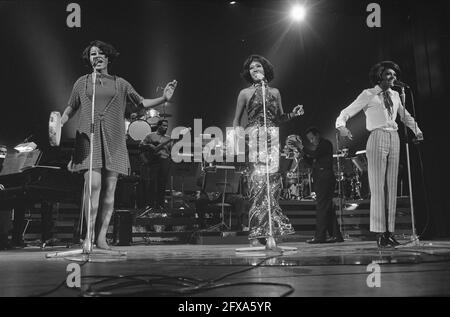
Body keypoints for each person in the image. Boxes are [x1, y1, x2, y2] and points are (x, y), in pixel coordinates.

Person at [60, 40, 177, 250]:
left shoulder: (121, 83)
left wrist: (163, 98)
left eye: (100, 53)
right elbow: (71, 106)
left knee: (110, 190)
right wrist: (60, 121)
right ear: (89, 59)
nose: (96, 57)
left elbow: (141, 102)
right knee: (92, 187)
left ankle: (102, 237)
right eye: (92, 54)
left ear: (108, 57)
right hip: (88, 138)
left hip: (114, 138)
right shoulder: (82, 82)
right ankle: (87, 237)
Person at [335, 61, 423, 248]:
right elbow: (346, 112)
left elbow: (405, 115)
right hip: (377, 137)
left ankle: (390, 232)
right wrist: (341, 126)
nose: (393, 78)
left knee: (391, 187)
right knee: (377, 188)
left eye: (395, 75)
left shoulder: (397, 94)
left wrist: (417, 131)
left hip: (394, 138)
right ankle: (380, 233)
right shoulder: (368, 94)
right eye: (389, 74)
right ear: (379, 76)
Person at [232, 54, 303, 247]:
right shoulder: (244, 93)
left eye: (258, 67)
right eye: (251, 68)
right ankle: (256, 233)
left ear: (265, 70)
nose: (255, 70)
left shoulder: (275, 92)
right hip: (254, 137)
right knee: (258, 186)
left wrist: (292, 114)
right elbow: (236, 121)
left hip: (272, 137)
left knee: (272, 186)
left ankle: (269, 231)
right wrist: (241, 139)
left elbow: (279, 117)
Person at [296, 127, 343, 243]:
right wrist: (302, 155)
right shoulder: (319, 148)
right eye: (309, 139)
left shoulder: (325, 144)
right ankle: (336, 235)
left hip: (325, 179)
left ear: (318, 135)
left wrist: (302, 147)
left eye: (312, 138)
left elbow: (315, 154)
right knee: (327, 208)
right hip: (321, 179)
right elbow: (312, 162)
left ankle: (320, 236)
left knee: (322, 208)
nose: (311, 141)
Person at [139, 119, 172, 212]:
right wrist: (149, 145)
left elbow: (171, 151)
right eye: (164, 125)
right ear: (159, 126)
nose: (165, 127)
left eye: (166, 126)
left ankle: (160, 204)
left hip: (165, 160)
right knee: (152, 182)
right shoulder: (150, 136)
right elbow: (141, 145)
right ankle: (150, 204)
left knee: (162, 183)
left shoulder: (168, 138)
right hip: (153, 160)